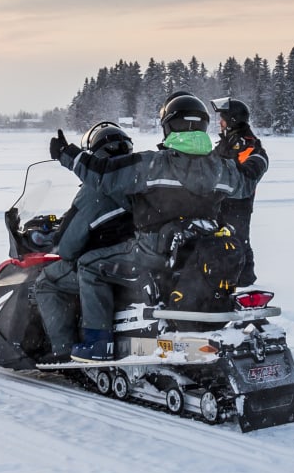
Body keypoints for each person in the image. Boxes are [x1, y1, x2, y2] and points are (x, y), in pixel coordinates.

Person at [64, 95, 255, 362]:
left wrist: (68, 155)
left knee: (88, 265)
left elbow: (104, 175)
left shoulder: (153, 164)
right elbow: (246, 183)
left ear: (168, 126)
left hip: (152, 254)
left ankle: (98, 342)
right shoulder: (219, 168)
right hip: (195, 251)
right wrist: (256, 160)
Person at [33, 122, 139, 360]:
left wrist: (56, 236)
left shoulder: (95, 191)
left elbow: (67, 247)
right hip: (142, 257)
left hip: (112, 263)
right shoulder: (139, 179)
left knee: (47, 281)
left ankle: (63, 350)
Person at [212, 97, 269, 285]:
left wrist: (226, 169)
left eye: (223, 118)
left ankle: (245, 283)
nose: (219, 123)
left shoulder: (252, 148)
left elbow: (251, 175)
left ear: (233, 120)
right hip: (216, 203)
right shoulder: (224, 144)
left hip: (238, 204)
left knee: (238, 241)